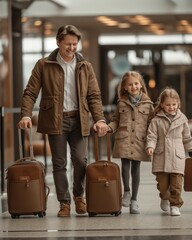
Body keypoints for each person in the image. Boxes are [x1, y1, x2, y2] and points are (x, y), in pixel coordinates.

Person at [18, 25, 109, 217]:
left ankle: (78, 196)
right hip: (55, 120)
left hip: (79, 120)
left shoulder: (85, 66)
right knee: (59, 163)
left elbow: (94, 95)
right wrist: (26, 114)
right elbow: (30, 92)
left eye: (75, 44)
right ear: (58, 42)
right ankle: (64, 203)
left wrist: (100, 119)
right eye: (68, 44)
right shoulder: (44, 64)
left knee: (80, 160)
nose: (72, 48)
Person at [107, 71, 154, 214]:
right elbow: (116, 120)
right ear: (125, 87)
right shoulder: (121, 102)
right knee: (125, 167)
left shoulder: (148, 104)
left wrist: (154, 140)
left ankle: (134, 200)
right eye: (130, 84)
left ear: (140, 85)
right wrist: (109, 127)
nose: (133, 86)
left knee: (136, 169)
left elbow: (152, 123)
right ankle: (126, 191)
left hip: (140, 141)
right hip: (124, 139)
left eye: (136, 83)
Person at [146, 87, 192, 216]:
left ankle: (175, 205)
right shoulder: (156, 120)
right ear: (162, 105)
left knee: (176, 185)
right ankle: (164, 197)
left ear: (178, 104)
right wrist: (150, 146)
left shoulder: (182, 119)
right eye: (168, 104)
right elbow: (152, 136)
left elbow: (187, 137)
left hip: (177, 156)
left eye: (174, 104)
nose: (171, 107)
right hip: (161, 156)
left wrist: (190, 149)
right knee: (162, 185)